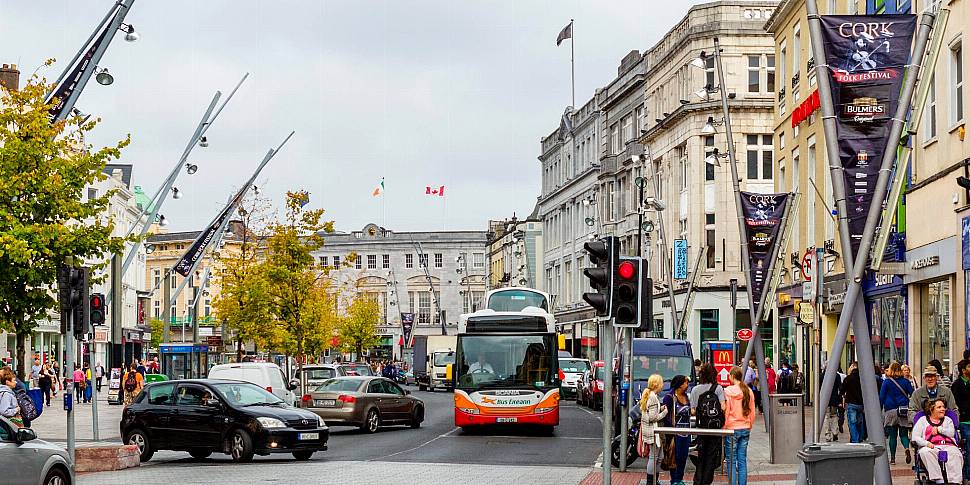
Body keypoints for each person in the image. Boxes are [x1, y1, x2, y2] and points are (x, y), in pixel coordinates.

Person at [913, 398, 964, 484]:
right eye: (939, 407)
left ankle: (954, 481)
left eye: (943, 407)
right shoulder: (922, 420)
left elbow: (951, 433)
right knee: (926, 452)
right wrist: (926, 443)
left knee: (955, 453)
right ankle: (938, 479)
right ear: (931, 409)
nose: (943, 409)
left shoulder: (948, 420)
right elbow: (915, 437)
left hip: (948, 445)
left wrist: (939, 429)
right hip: (931, 446)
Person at [689, 364, 724, 485]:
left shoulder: (695, 390)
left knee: (701, 455)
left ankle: (697, 480)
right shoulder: (718, 388)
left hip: (701, 427)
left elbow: (693, 410)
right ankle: (707, 481)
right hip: (715, 428)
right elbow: (723, 407)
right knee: (711, 456)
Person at [724, 366, 756, 485]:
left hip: (732, 428)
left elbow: (727, 412)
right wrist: (749, 424)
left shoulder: (728, 391)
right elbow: (752, 412)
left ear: (732, 376)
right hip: (745, 427)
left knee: (731, 460)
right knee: (742, 459)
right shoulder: (748, 391)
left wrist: (725, 426)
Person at [880, 362, 915, 465]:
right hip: (903, 410)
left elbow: (881, 397)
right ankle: (906, 449)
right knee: (904, 434)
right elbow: (912, 394)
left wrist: (879, 408)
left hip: (890, 410)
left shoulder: (886, 382)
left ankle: (893, 459)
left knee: (892, 435)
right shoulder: (905, 381)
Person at [638, 373, 667, 485]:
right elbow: (652, 417)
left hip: (649, 431)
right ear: (657, 385)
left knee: (658, 457)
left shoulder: (648, 395)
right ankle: (651, 482)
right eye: (661, 383)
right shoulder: (653, 398)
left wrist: (660, 408)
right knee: (654, 457)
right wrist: (664, 412)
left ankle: (654, 480)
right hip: (653, 431)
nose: (663, 385)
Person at [662, 375, 691, 485]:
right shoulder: (669, 397)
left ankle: (680, 479)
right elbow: (665, 415)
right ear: (679, 384)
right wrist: (671, 429)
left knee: (683, 456)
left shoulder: (686, 396)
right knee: (674, 457)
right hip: (675, 433)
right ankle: (674, 479)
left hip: (687, 432)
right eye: (685, 383)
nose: (687, 385)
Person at [949, 359, 970, 482]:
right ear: (963, 370)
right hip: (964, 421)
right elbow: (954, 404)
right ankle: (966, 476)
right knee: (967, 449)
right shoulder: (957, 385)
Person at [840, 364, 866, 443]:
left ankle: (855, 439)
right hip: (861, 404)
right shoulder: (863, 379)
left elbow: (842, 390)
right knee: (859, 422)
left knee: (852, 422)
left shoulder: (848, 378)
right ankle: (860, 437)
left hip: (851, 403)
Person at [822, 363, 844, 442]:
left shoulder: (822, 376)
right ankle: (835, 433)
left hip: (825, 401)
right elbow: (840, 389)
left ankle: (828, 435)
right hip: (835, 400)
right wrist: (840, 400)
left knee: (827, 417)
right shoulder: (837, 376)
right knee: (834, 416)